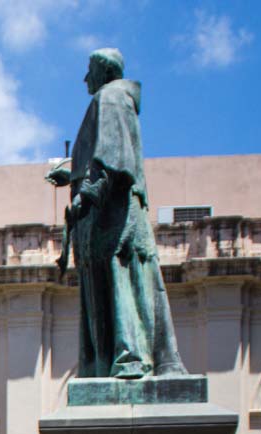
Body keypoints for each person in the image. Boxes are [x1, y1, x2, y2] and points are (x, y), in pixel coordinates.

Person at [46, 48, 185, 380]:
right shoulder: (117, 100)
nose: (85, 78)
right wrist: (76, 176)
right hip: (115, 214)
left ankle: (127, 358)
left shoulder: (109, 98)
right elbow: (110, 155)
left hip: (112, 219)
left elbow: (113, 158)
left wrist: (88, 193)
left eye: (89, 70)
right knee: (127, 280)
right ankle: (125, 357)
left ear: (103, 71)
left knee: (119, 277)